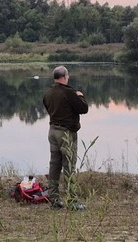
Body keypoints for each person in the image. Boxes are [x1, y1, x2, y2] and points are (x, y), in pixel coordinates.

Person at [42, 65, 89, 209]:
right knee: (69, 166)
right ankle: (72, 201)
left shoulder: (48, 93)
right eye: (67, 77)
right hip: (66, 134)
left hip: (52, 132)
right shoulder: (69, 93)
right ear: (65, 77)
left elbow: (48, 108)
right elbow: (83, 109)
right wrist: (81, 96)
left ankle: (54, 198)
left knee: (54, 165)